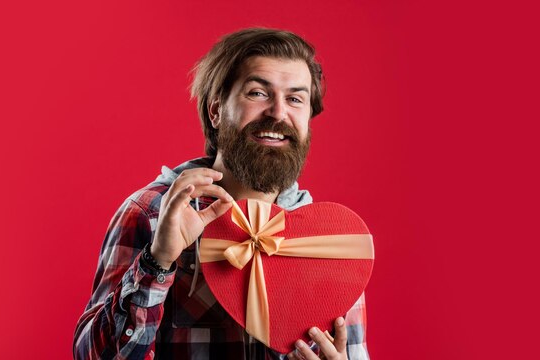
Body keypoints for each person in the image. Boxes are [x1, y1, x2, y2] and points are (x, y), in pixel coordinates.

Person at [73, 28, 370, 360]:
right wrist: (158, 261)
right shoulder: (152, 212)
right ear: (216, 111)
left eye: (295, 98)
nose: (277, 112)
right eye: (258, 93)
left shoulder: (331, 241)